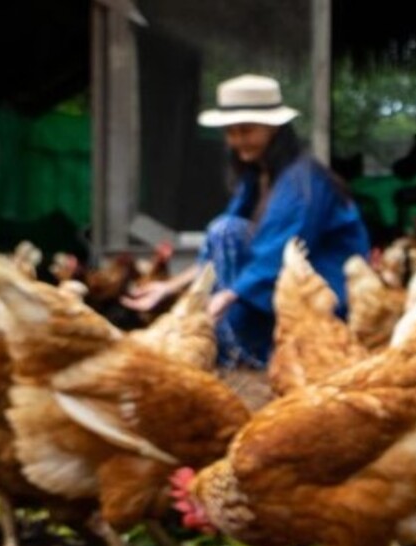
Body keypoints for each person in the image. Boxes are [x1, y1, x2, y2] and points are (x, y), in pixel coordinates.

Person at [123, 74, 370, 368]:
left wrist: (221, 301)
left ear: (274, 127)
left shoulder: (302, 183)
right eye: (231, 132)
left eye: (246, 130)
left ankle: (246, 355)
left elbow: (274, 254)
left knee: (225, 231)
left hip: (325, 297)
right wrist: (170, 288)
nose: (237, 140)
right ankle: (240, 350)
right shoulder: (258, 177)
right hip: (282, 291)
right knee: (223, 230)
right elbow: (219, 252)